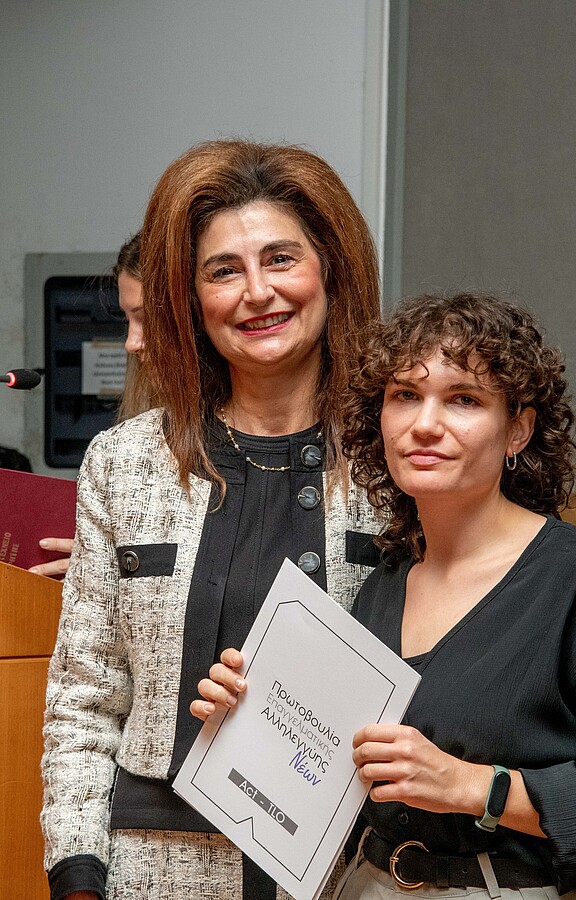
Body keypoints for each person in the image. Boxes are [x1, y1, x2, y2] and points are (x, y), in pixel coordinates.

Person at [197, 293, 576, 899]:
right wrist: (249, 718)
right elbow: (334, 775)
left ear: (519, 430)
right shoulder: (385, 581)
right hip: (369, 884)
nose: (424, 424)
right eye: (405, 395)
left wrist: (474, 787)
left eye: (464, 399)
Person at [41, 139, 382, 900]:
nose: (257, 292)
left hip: (350, 868)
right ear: (190, 301)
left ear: (331, 270)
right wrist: (78, 874)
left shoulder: (397, 464)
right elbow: (83, 702)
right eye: (223, 271)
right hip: (155, 867)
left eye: (281, 259)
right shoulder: (126, 462)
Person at [31, 232, 151, 579]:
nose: (131, 343)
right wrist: (100, 558)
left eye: (146, 318)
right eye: (128, 320)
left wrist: (124, 562)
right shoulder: (120, 447)